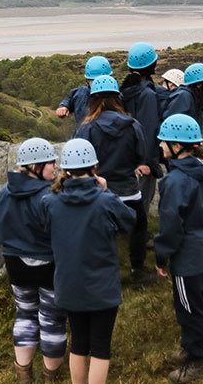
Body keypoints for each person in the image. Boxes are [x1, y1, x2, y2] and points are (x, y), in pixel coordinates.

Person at [38, 138, 135, 384]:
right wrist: (107, 190)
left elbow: (46, 227)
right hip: (101, 286)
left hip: (68, 285)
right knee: (100, 346)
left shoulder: (50, 202)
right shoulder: (104, 200)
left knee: (78, 343)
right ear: (94, 167)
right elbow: (129, 222)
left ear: (64, 170)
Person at [0, 138, 67, 384]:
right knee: (51, 318)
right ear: (36, 166)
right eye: (50, 162)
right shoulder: (49, 196)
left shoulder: (5, 192)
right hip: (48, 265)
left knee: (24, 313)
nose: (54, 166)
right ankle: (50, 376)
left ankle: (23, 374)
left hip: (15, 262)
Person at [75, 75, 160, 285]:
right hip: (129, 189)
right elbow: (140, 154)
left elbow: (80, 160)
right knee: (139, 228)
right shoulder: (132, 125)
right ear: (118, 98)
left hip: (99, 191)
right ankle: (137, 271)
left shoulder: (86, 129)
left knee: (101, 234)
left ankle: (103, 274)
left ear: (93, 99)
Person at [153, 114, 203, 384]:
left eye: (163, 142)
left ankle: (199, 360)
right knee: (201, 302)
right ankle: (196, 348)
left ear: (176, 146)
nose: (160, 146)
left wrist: (161, 256)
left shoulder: (175, 181)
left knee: (188, 307)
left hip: (186, 256)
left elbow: (170, 226)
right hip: (202, 248)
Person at [120, 42, 165, 214]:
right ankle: (139, 236)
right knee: (143, 201)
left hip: (126, 154)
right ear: (152, 66)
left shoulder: (125, 90)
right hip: (142, 158)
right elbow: (148, 129)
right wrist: (147, 162)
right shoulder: (147, 95)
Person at [55, 55, 112, 135]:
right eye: (94, 81)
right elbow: (70, 97)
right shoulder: (81, 93)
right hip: (82, 139)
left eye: (101, 80)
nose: (98, 84)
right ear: (87, 81)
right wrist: (64, 106)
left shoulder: (115, 98)